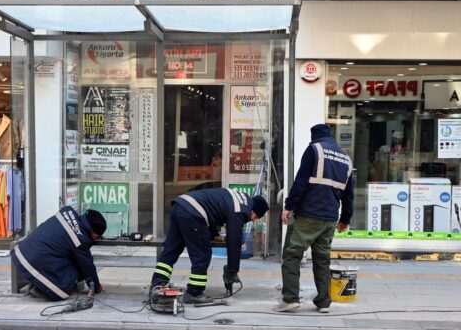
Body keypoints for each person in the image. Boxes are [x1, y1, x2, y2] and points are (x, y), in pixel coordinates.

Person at [276, 123, 354, 313]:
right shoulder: (345, 158)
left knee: (292, 255)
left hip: (308, 215)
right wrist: (345, 219)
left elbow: (301, 182)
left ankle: (290, 299)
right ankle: (323, 302)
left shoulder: (314, 150)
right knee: (322, 259)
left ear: (314, 137)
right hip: (330, 218)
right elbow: (349, 194)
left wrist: (288, 207)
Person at [150, 188, 269, 304]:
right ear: (254, 210)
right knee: (202, 254)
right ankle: (194, 293)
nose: (254, 221)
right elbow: (234, 241)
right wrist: (232, 270)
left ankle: (157, 286)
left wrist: (214, 234)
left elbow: (213, 209)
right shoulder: (241, 210)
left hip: (180, 205)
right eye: (256, 217)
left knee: (171, 251)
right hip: (193, 212)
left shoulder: (239, 198)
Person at [12, 206, 107, 301]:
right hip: (34, 261)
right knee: (74, 269)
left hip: (22, 251)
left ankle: (37, 283)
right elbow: (87, 266)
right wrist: (96, 286)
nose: (96, 239)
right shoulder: (80, 239)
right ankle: (42, 290)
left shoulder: (66, 211)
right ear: (91, 230)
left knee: (63, 253)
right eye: (97, 236)